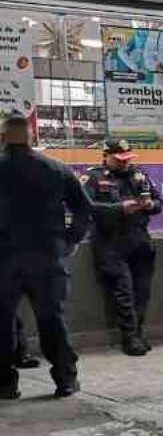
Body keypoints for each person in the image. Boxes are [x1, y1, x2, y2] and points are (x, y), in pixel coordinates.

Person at [0, 114, 91, 399]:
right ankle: (65, 379)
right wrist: (71, 240)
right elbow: (83, 208)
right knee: (52, 318)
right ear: (32, 138)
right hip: (47, 257)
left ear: (3, 138)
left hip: (4, 259)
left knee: (2, 323)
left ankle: (5, 384)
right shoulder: (56, 168)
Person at [80, 138, 163, 356]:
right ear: (106, 156)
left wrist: (150, 205)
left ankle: (138, 332)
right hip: (111, 243)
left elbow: (158, 203)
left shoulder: (139, 175)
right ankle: (130, 337)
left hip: (140, 240)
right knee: (124, 292)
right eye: (119, 160)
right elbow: (87, 207)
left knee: (142, 292)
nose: (125, 163)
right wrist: (119, 209)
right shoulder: (94, 177)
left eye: (127, 159)